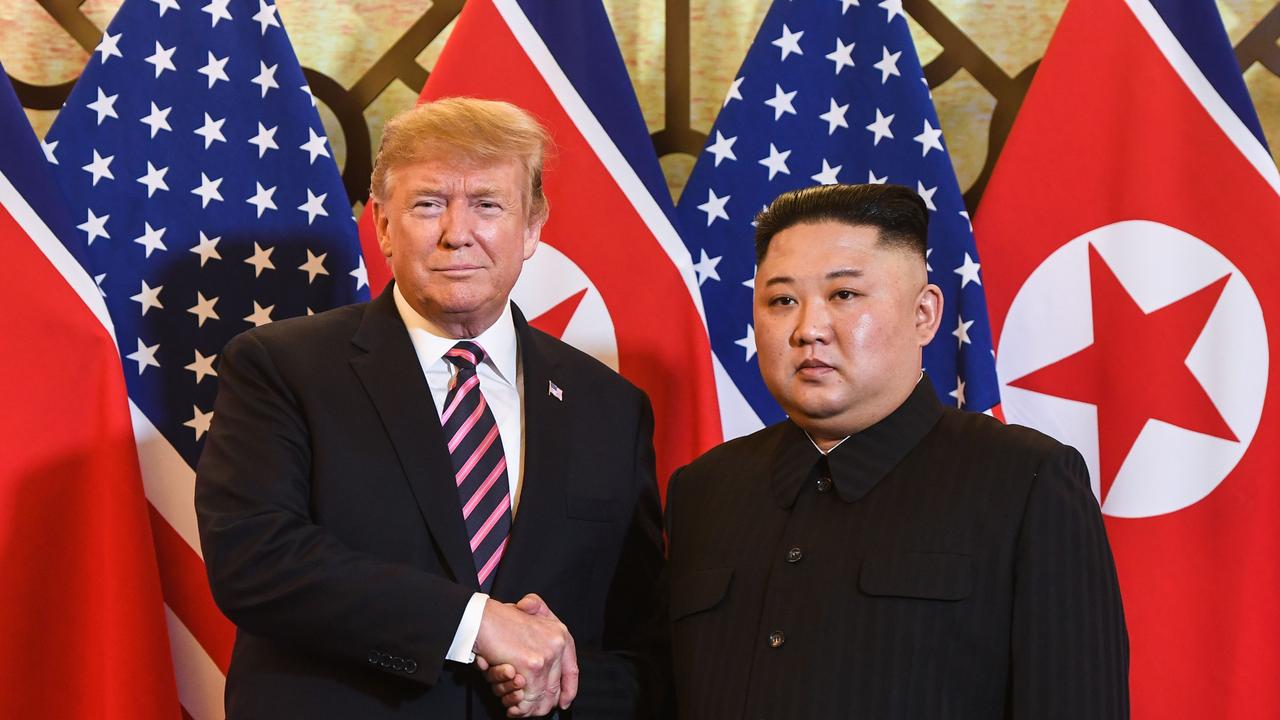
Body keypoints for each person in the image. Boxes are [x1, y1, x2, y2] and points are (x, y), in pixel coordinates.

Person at [195, 97, 664, 719]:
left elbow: (640, 634)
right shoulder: (280, 367)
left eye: (488, 205)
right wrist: (475, 624)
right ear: (384, 226)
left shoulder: (610, 406)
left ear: (532, 229)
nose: (457, 233)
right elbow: (255, 560)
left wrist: (558, 695)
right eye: (429, 203)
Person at [661, 183, 1129, 719]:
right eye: (782, 300)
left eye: (844, 295)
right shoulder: (703, 491)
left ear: (925, 314)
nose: (808, 329)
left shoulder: (1028, 482)